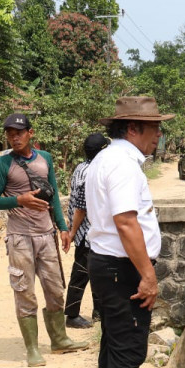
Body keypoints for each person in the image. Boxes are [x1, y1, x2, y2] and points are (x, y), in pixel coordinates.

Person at [85, 96, 172, 368]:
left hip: (107, 265)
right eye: (155, 128)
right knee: (127, 350)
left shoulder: (108, 159)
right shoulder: (122, 164)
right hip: (121, 269)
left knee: (113, 344)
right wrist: (148, 276)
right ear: (133, 128)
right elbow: (125, 222)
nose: (159, 135)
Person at [0, 113, 90, 366]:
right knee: (25, 292)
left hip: (46, 235)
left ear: (30, 134)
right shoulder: (3, 164)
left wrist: (63, 228)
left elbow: (53, 195)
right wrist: (18, 200)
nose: (14, 137)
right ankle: (32, 348)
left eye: (19, 133)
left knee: (55, 289)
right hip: (20, 237)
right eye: (10, 134)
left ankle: (59, 340)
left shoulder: (45, 159)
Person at [63, 132, 109, 330]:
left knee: (96, 272)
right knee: (81, 274)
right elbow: (82, 206)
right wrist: (72, 232)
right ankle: (72, 314)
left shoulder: (80, 167)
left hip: (87, 232)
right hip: (87, 232)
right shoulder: (94, 171)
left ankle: (98, 312)